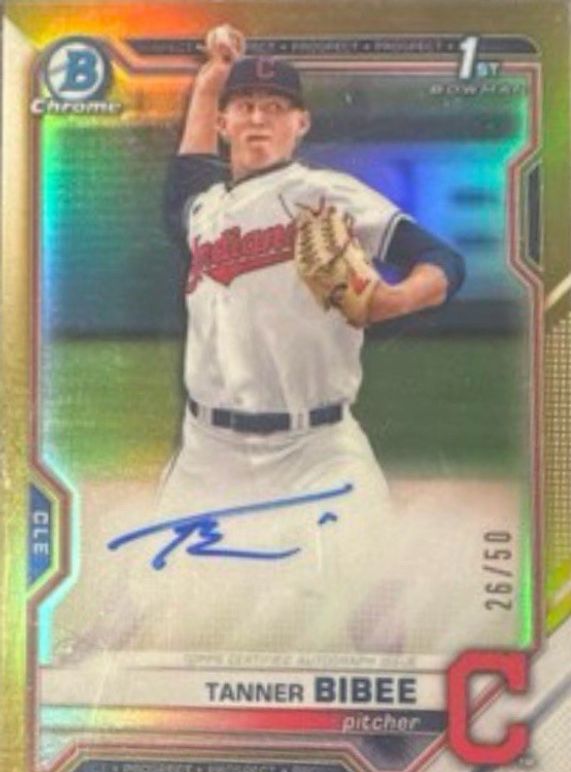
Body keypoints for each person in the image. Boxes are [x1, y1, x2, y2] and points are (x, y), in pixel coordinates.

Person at [146, 29, 465, 654]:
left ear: (301, 123)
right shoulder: (204, 211)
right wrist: (211, 80)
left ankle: (385, 699)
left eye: (276, 106)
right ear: (224, 124)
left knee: (372, 584)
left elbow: (442, 259)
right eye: (245, 105)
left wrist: (397, 299)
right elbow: (181, 184)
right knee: (158, 595)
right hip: (209, 450)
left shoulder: (328, 195)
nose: (258, 117)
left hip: (317, 445)